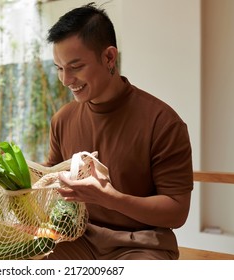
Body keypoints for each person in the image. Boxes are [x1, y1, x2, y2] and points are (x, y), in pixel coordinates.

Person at [43, 2, 193, 260]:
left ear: (109, 57)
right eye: (59, 68)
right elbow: (51, 183)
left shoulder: (163, 123)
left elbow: (177, 212)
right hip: (77, 238)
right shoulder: (63, 119)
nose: (66, 80)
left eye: (76, 67)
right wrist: (14, 174)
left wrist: (110, 199)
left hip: (143, 244)